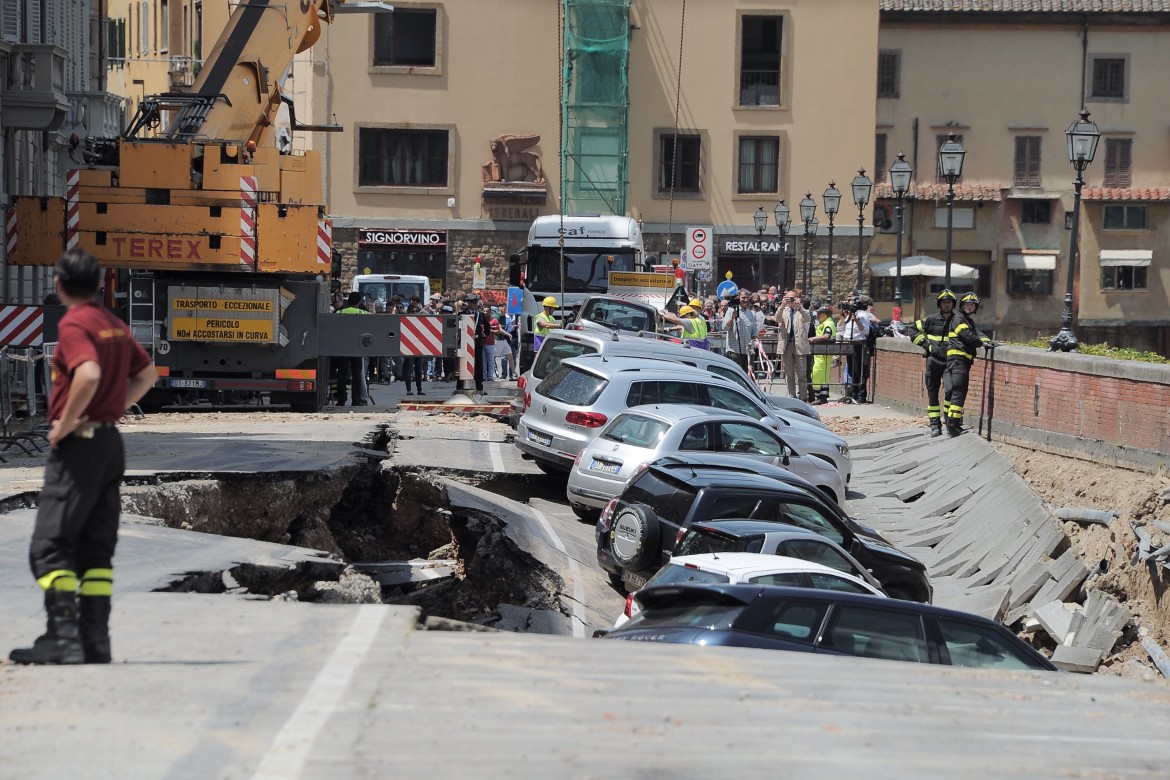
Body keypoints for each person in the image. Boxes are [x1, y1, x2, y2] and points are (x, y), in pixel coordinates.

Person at [9, 248, 156, 665]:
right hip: (110, 442)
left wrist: (67, 423)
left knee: (49, 546)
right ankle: (95, 640)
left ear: (58, 284)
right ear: (96, 284)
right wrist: (115, 407)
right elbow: (147, 375)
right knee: (95, 550)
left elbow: (88, 374)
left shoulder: (75, 323)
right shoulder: (111, 322)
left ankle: (63, 637)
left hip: (82, 445)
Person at [907, 290, 958, 436]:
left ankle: (949, 421)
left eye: (949, 302)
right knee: (932, 393)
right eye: (944, 302)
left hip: (950, 362)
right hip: (933, 361)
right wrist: (925, 344)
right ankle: (935, 425)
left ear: (953, 304)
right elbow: (912, 329)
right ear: (939, 304)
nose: (947, 305)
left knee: (950, 390)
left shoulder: (958, 320)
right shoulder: (931, 319)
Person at [943, 292, 994, 437]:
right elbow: (967, 335)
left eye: (972, 305)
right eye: (967, 304)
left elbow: (976, 332)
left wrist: (987, 340)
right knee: (959, 391)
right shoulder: (958, 319)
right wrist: (982, 344)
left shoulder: (967, 321)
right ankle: (952, 425)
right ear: (962, 305)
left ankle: (954, 423)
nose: (969, 307)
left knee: (956, 391)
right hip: (958, 360)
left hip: (961, 361)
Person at [771, 291, 811, 401]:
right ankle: (792, 396)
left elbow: (808, 319)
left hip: (799, 345)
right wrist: (782, 306)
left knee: (802, 373)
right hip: (787, 345)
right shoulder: (784, 311)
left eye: (793, 298)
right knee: (789, 374)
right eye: (789, 299)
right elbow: (777, 319)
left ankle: (803, 397)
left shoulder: (802, 311)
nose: (791, 301)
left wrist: (800, 307)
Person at [334, 291, 370, 406]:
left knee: (342, 374)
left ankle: (341, 399)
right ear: (359, 302)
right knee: (357, 375)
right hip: (357, 347)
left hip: (342, 347)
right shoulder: (363, 313)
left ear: (348, 301)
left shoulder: (339, 312)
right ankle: (356, 400)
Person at [837, 301, 870, 403]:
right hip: (849, 344)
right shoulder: (848, 315)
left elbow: (865, 331)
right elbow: (841, 328)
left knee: (859, 370)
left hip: (858, 344)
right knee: (851, 370)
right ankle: (853, 394)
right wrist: (843, 315)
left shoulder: (863, 315)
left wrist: (856, 320)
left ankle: (861, 395)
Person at [808, 306, 837, 404]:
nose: (818, 316)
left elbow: (826, 336)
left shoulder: (828, 323)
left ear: (824, 314)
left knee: (818, 374)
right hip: (821, 353)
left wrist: (814, 338)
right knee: (822, 376)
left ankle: (820, 396)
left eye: (819, 314)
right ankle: (821, 397)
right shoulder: (825, 323)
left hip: (824, 354)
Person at [722, 295, 756, 372]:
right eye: (743, 298)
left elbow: (754, 329)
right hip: (735, 351)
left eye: (747, 298)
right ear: (738, 299)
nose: (745, 300)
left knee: (748, 376)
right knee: (736, 375)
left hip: (748, 350)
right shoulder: (730, 311)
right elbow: (724, 327)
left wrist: (755, 337)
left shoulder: (750, 313)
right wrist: (732, 318)